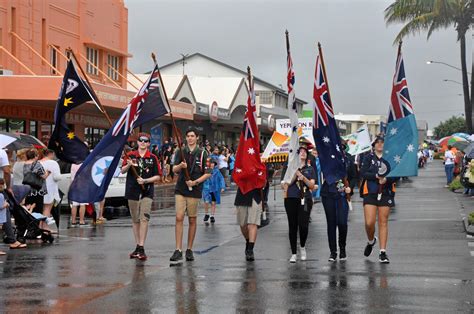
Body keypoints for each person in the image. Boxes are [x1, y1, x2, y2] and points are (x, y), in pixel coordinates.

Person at [170, 129, 211, 264]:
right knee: (179, 217)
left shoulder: (203, 153)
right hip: (181, 188)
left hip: (194, 189)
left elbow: (208, 172)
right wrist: (180, 166)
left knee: (192, 219)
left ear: (197, 138)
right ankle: (178, 249)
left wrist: (195, 182)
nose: (190, 138)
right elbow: (173, 170)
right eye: (188, 136)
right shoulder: (179, 152)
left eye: (192, 136)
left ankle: (189, 249)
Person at [121, 133, 161, 261]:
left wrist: (146, 181)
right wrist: (128, 164)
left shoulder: (153, 158)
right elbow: (122, 171)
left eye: (146, 141)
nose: (143, 143)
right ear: (137, 142)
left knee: (144, 218)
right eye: (140, 140)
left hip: (147, 191)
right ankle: (137, 245)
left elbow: (158, 176)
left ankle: (142, 246)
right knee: (135, 219)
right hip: (132, 191)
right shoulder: (131, 155)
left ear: (149, 143)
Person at [360, 136, 396, 264]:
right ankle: (371, 241)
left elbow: (396, 174)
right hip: (370, 192)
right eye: (378, 143)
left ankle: (382, 252)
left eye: (382, 143)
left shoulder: (390, 157)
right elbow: (363, 173)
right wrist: (376, 176)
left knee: (383, 222)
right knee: (369, 223)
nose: (380, 144)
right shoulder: (368, 157)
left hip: (386, 193)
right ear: (373, 145)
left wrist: (387, 179)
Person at [281, 145, 317, 263]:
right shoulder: (288, 167)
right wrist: (294, 172)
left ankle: (302, 246)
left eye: (304, 152)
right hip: (291, 198)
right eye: (300, 151)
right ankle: (293, 253)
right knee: (292, 226)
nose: (302, 153)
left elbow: (312, 185)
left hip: (305, 199)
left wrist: (303, 178)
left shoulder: (310, 168)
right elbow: (284, 185)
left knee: (303, 225)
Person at [234, 188, 263, 261]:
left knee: (253, 223)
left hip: (255, 196)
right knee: (242, 224)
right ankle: (248, 241)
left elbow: (264, 180)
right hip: (242, 196)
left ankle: (250, 249)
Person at [23, 149, 49, 217]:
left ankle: (29, 225)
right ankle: (36, 226)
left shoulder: (24, 164)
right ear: (35, 156)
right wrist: (48, 172)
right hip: (37, 190)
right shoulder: (37, 164)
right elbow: (43, 176)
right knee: (37, 210)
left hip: (27, 190)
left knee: (28, 209)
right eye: (37, 155)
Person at [40, 149, 61, 228]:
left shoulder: (39, 162)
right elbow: (57, 177)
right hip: (50, 189)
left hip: (40, 189)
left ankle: (40, 226)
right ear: (51, 154)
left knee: (41, 210)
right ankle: (45, 227)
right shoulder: (53, 163)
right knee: (47, 209)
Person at [202, 158, 225, 225]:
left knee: (213, 203)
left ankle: (212, 216)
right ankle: (206, 214)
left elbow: (221, 179)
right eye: (211, 163)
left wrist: (222, 187)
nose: (212, 164)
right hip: (206, 188)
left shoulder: (217, 171)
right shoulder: (205, 170)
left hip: (214, 189)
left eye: (213, 163)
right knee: (206, 201)